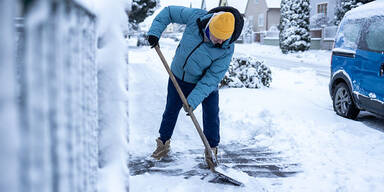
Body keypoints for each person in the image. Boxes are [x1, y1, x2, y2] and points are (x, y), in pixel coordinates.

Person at [147, 5, 243, 165]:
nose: (219, 42)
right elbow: (169, 12)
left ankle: (211, 152)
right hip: (177, 76)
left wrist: (193, 100)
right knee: (170, 110)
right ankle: (163, 145)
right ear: (210, 25)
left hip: (204, 82)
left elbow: (212, 77)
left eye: (223, 39)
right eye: (217, 36)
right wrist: (155, 32)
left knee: (211, 115)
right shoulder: (196, 17)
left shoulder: (227, 48)